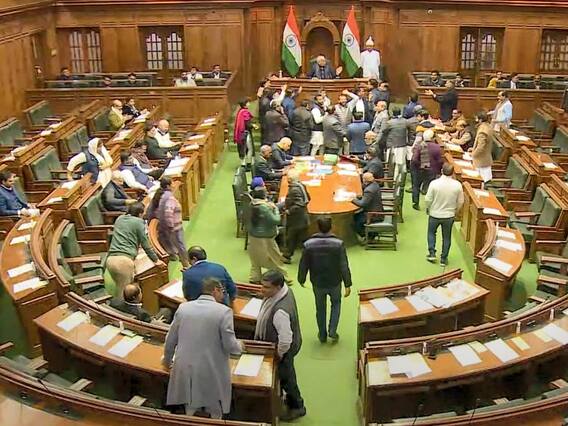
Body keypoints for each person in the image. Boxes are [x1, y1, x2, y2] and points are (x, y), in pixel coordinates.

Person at [163, 278, 242, 419]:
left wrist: (167, 361)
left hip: (184, 366)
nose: (223, 295)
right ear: (215, 290)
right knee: (214, 407)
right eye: (223, 291)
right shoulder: (224, 312)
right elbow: (230, 345)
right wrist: (240, 346)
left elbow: (170, 339)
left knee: (190, 404)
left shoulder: (183, 308)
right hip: (210, 368)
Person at [254, 270, 305, 421]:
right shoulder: (285, 292)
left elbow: (285, 340)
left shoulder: (280, 311)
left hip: (283, 349)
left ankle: (298, 407)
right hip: (288, 344)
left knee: (287, 379)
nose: (262, 290)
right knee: (286, 376)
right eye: (262, 285)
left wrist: (278, 354)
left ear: (278, 287)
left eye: (266, 287)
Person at [298, 216, 351, 342]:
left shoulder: (308, 245)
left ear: (318, 227)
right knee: (336, 304)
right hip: (335, 281)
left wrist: (301, 279)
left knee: (320, 308)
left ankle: (322, 334)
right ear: (331, 227)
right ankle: (332, 330)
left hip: (318, 282)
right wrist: (347, 284)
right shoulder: (338, 244)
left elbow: (303, 264)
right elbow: (343, 265)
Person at [105, 202, 164, 296]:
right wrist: (156, 260)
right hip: (123, 262)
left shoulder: (120, 219)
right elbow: (145, 244)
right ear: (140, 213)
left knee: (120, 288)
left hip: (110, 261)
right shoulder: (138, 222)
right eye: (143, 213)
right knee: (126, 293)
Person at [247, 187, 290, 284]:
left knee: (255, 259)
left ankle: (255, 277)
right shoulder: (264, 207)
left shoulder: (252, 204)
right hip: (265, 237)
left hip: (253, 235)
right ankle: (284, 276)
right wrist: (276, 210)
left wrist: (276, 205)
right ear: (264, 195)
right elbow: (275, 220)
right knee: (275, 257)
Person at [424, 163, 464, 267]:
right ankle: (443, 259)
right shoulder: (457, 185)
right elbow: (460, 202)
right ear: (452, 173)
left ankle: (432, 253)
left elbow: (428, 199)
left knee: (431, 233)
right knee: (446, 237)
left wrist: (428, 208)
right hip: (449, 215)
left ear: (442, 171)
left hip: (434, 214)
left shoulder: (434, 183)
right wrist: (455, 211)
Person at [149, 177, 189, 269]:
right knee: (181, 246)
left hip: (170, 227)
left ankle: (184, 261)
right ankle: (186, 265)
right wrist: (171, 227)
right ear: (168, 185)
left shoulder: (164, 195)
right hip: (175, 228)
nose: (174, 184)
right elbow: (168, 213)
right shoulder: (169, 197)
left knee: (179, 245)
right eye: (172, 183)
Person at [283, 169, 310, 263]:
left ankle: (287, 256)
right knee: (303, 239)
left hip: (296, 219)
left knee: (291, 238)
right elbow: (308, 198)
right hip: (304, 217)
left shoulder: (294, 189)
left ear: (290, 179)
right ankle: (310, 256)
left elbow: (299, 203)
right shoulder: (301, 185)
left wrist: (289, 211)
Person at [411, 129, 442, 210]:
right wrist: (438, 171)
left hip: (418, 170)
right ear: (432, 138)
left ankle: (415, 203)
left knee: (416, 186)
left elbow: (414, 159)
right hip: (431, 171)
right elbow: (439, 161)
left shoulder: (418, 145)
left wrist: (420, 165)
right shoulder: (437, 147)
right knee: (430, 188)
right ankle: (429, 206)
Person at [378, 107, 410, 181]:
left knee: (391, 164)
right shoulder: (405, 121)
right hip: (402, 145)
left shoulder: (389, 123)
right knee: (401, 163)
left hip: (392, 145)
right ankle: (399, 179)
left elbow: (384, 131)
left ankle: (392, 179)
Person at [352, 172, 383, 241]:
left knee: (354, 221)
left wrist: (352, 199)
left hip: (373, 215)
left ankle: (368, 235)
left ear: (364, 180)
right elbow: (368, 198)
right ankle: (371, 233)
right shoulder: (375, 184)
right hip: (377, 211)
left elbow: (362, 204)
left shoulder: (368, 190)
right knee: (356, 215)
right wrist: (360, 197)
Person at [471, 111, 494, 184]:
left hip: (480, 161)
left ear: (480, 120)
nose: (475, 120)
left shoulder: (482, 131)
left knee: (479, 182)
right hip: (485, 159)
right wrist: (473, 149)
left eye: (476, 118)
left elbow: (481, 147)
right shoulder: (488, 126)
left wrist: (472, 155)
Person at [234, 98, 255, 169]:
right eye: (248, 102)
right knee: (249, 148)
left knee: (242, 148)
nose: (249, 103)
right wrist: (253, 126)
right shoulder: (245, 112)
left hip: (240, 134)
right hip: (245, 133)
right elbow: (247, 124)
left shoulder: (240, 111)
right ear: (245, 104)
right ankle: (249, 164)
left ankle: (243, 164)